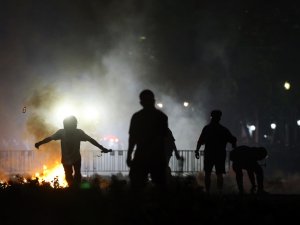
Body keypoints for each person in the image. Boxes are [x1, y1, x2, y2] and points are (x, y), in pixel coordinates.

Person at [34, 115, 111, 187]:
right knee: (68, 176)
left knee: (77, 174)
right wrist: (40, 143)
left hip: (76, 158)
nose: (74, 125)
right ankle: (72, 188)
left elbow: (91, 140)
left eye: (75, 124)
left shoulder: (78, 133)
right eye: (73, 124)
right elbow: (49, 138)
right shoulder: (61, 132)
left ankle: (75, 189)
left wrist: (102, 148)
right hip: (66, 160)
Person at [126, 89, 168, 190]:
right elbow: (164, 137)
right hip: (157, 155)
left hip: (141, 154)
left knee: (137, 186)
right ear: (154, 101)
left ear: (141, 102)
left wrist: (129, 155)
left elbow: (132, 139)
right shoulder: (161, 117)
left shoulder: (137, 117)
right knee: (161, 186)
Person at [195, 110, 237, 194]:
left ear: (211, 117)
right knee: (219, 173)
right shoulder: (223, 130)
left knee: (207, 173)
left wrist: (197, 150)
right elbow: (233, 139)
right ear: (219, 118)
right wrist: (234, 147)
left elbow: (200, 141)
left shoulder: (207, 128)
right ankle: (219, 191)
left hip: (209, 153)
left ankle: (207, 191)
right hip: (220, 154)